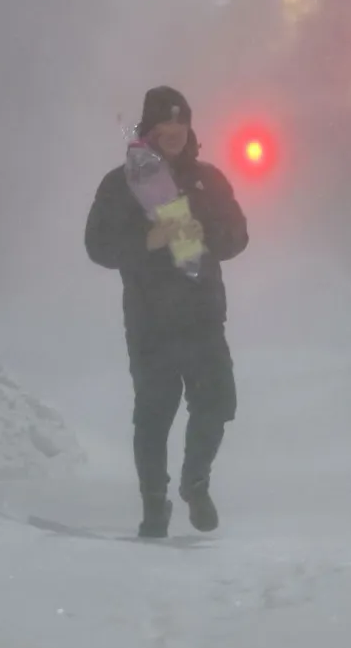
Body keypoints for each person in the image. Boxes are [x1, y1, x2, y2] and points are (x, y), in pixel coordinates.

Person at [84, 87, 249, 538]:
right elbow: (97, 246)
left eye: (182, 122)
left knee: (217, 403)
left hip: (202, 316)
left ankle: (196, 482)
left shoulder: (208, 180)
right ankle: (154, 505)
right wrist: (148, 243)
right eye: (166, 122)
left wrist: (205, 233)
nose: (175, 131)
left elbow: (237, 236)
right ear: (150, 128)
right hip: (151, 319)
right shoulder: (121, 184)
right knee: (154, 416)